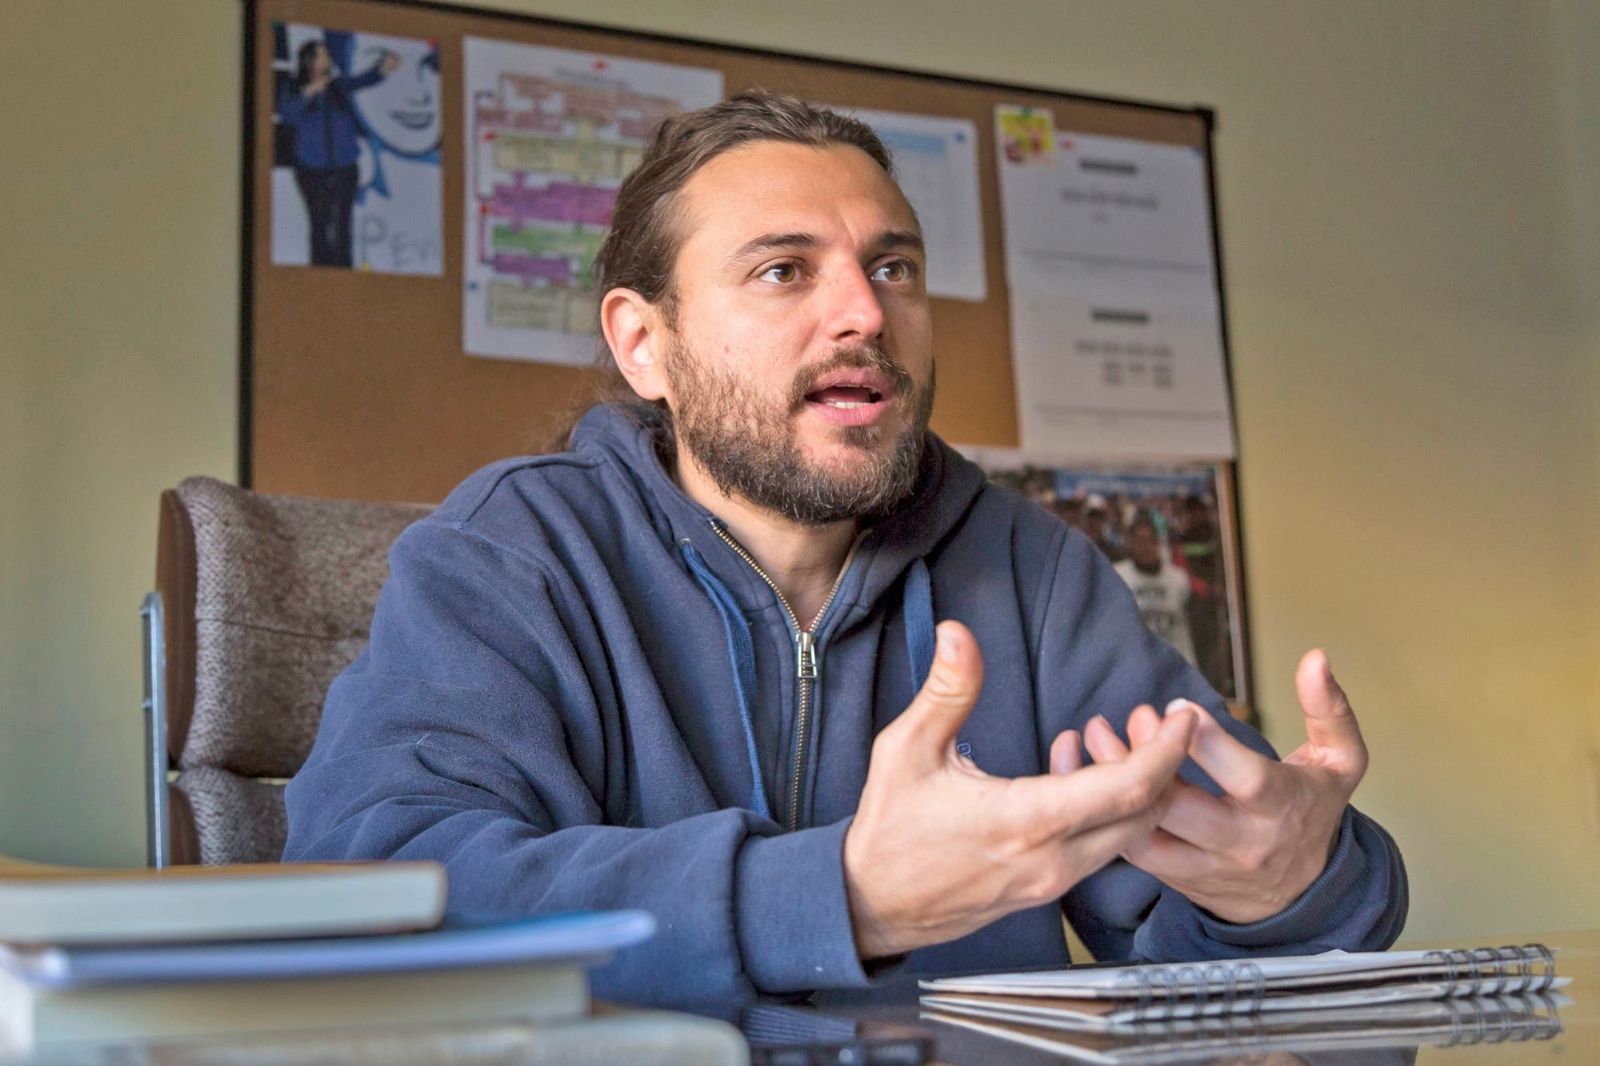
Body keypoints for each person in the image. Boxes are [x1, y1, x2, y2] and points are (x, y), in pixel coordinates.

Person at [284, 91, 1406, 1011]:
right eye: (784, 270)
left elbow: (1218, 950)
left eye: (894, 267)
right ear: (644, 342)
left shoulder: (1029, 572)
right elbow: (378, 901)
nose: (864, 313)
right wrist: (839, 895)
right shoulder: (510, 554)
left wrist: (1295, 888)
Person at [276, 39, 398, 267]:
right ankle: (320, 277)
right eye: (322, 54)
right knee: (319, 227)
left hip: (345, 168)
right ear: (309, 60)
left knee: (342, 227)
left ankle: (344, 276)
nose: (327, 58)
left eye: (327, 54)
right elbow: (288, 114)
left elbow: (363, 80)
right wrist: (310, 91)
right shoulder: (292, 86)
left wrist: (383, 68)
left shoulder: (338, 85)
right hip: (310, 171)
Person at [1114, 511, 1199, 664]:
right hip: (1136, 663)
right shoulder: (1119, 576)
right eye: (1139, 541)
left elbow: (1187, 626)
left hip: (1172, 662)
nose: (1144, 546)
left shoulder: (1178, 579)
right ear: (1131, 543)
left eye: (1149, 540)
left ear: (1157, 542)